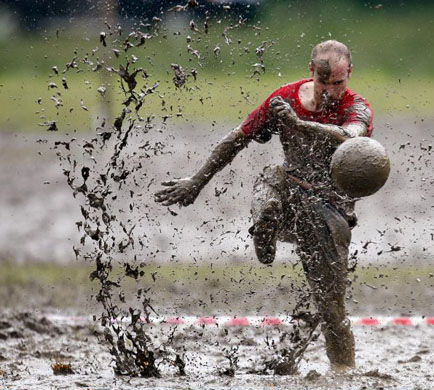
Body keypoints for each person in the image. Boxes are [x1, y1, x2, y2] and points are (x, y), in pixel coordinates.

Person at [155, 40, 373, 370]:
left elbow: (351, 136)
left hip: (330, 210)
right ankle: (264, 228)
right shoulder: (283, 99)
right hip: (290, 191)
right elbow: (237, 139)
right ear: (310, 71)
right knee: (272, 178)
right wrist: (195, 182)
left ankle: (344, 373)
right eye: (323, 81)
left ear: (350, 75)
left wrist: (301, 125)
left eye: (338, 83)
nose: (330, 90)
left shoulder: (357, 107)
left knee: (330, 307)